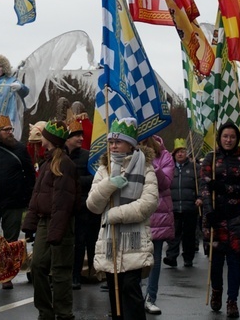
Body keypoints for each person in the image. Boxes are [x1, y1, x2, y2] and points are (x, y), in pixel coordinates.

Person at [86, 118, 158, 320]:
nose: (113, 146)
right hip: (110, 242)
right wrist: (110, 183)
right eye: (111, 142)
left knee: (130, 289)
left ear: (131, 144)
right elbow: (93, 204)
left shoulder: (146, 168)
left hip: (135, 241)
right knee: (114, 292)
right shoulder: (104, 169)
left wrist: (115, 215)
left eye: (118, 142)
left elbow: (148, 204)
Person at [22, 120, 79, 320]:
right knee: (37, 265)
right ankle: (45, 312)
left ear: (50, 140)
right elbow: (37, 195)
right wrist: (30, 224)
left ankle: (64, 313)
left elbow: (63, 203)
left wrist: (56, 232)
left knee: (60, 270)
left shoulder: (65, 164)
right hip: (45, 222)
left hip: (61, 223)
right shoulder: (46, 163)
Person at [201, 122, 240, 319]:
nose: (228, 140)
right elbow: (205, 187)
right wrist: (208, 211)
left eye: (232, 136)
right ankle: (216, 290)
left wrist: (225, 188)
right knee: (216, 261)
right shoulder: (210, 158)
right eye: (225, 136)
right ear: (220, 138)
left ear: (237, 138)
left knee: (234, 261)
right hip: (215, 217)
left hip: (237, 216)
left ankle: (233, 300)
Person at [0, 115, 35, 289]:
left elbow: (30, 173)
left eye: (11, 129)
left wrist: (28, 196)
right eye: (6, 130)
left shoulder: (20, 149)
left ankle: (7, 276)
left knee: (11, 241)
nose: (10, 133)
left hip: (14, 202)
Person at [142, 135, 174, 316]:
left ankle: (150, 297)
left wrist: (151, 164)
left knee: (154, 260)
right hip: (137, 212)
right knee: (135, 257)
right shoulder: (130, 151)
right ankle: (135, 296)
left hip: (158, 215)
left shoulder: (164, 155)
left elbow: (166, 183)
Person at [164, 138, 201, 269]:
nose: (180, 154)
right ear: (174, 154)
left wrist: (200, 197)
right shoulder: (169, 167)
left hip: (190, 207)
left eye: (183, 151)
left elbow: (200, 184)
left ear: (187, 153)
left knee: (189, 235)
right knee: (173, 234)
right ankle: (171, 257)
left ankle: (188, 258)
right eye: (178, 152)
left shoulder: (195, 168)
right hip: (173, 207)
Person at [67, 118, 95, 290]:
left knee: (80, 241)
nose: (79, 138)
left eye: (81, 135)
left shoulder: (87, 156)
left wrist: (74, 181)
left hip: (82, 206)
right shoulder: (59, 155)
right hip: (64, 206)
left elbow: (94, 178)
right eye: (76, 135)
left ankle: (76, 275)